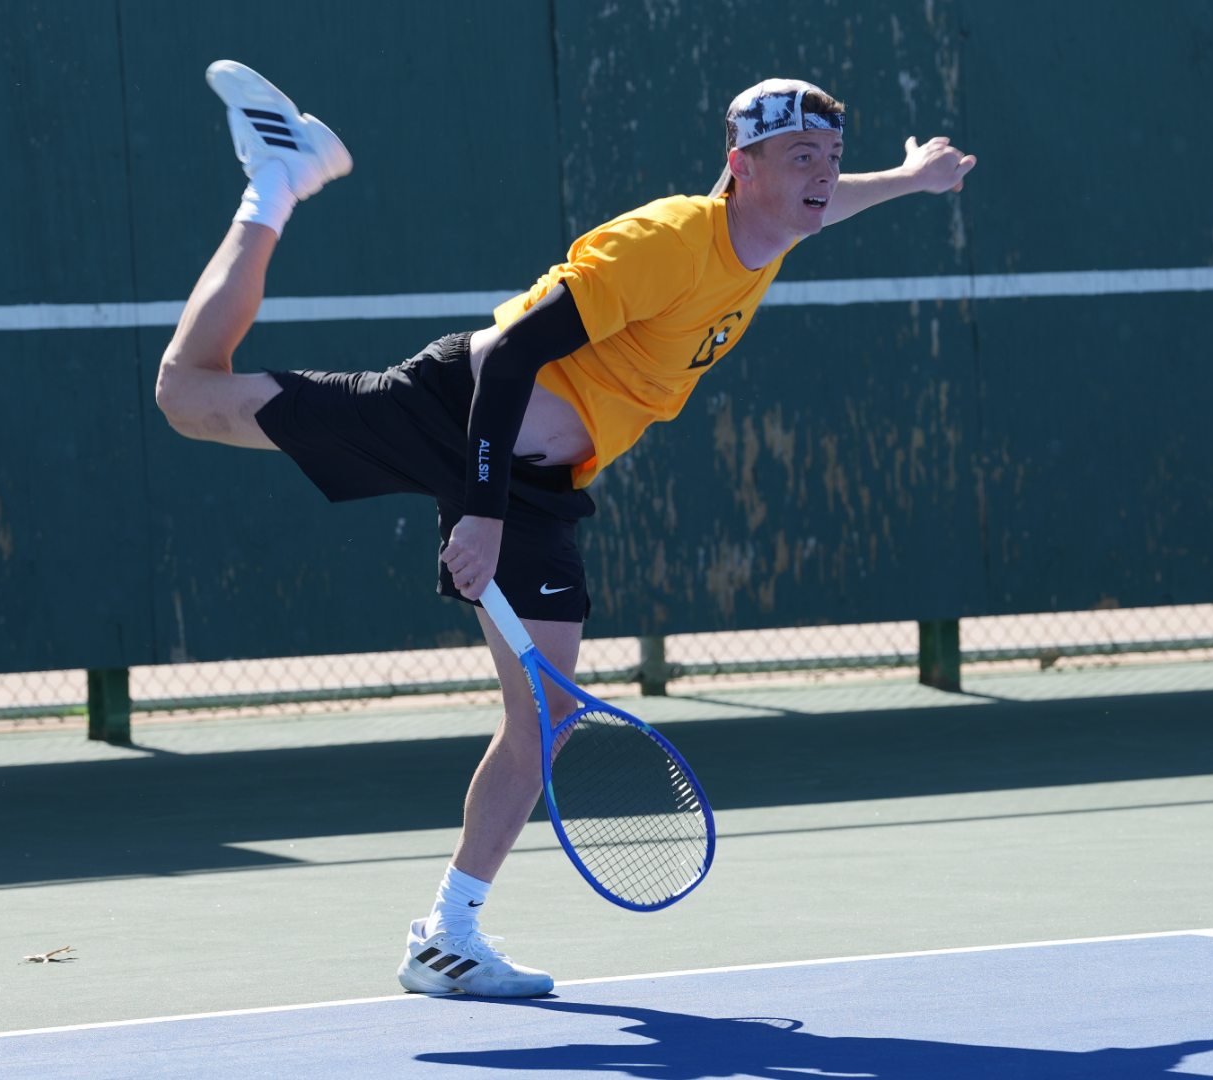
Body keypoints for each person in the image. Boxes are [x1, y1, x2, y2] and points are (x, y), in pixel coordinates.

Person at [155, 61, 977, 997]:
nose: (823, 174)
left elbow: (827, 204)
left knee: (546, 717)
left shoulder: (776, 223)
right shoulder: (669, 242)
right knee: (185, 396)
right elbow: (509, 355)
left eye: (832, 154)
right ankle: (277, 180)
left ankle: (446, 935)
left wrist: (913, 179)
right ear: (740, 165)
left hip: (544, 486)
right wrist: (480, 509)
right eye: (801, 156)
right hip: (456, 412)